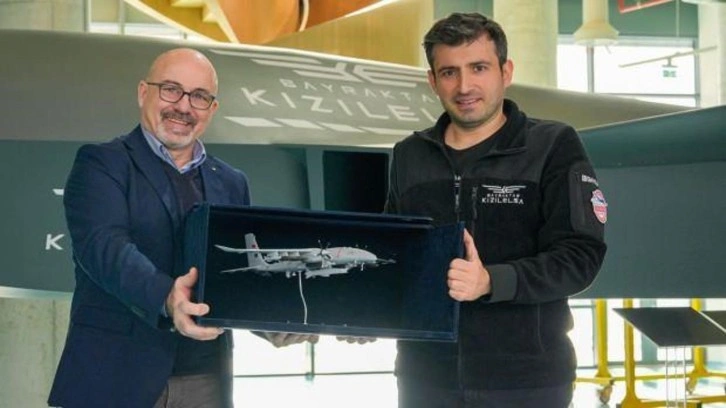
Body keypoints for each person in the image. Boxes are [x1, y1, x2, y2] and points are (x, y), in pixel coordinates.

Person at [48, 48, 314, 408]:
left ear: (212, 109)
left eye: (199, 96)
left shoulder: (232, 182)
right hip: (114, 376)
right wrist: (167, 296)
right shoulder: (102, 163)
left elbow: (236, 274)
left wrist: (271, 321)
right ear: (144, 92)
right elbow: (104, 247)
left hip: (205, 380)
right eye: (171, 90)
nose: (184, 106)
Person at [384, 13, 607, 408]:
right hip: (425, 380)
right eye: (449, 72)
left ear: (506, 72)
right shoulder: (409, 155)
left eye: (479, 68)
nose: (464, 86)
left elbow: (580, 258)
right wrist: (359, 311)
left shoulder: (552, 146)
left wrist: (491, 281)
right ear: (432, 81)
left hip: (526, 382)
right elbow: (393, 256)